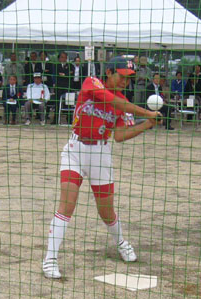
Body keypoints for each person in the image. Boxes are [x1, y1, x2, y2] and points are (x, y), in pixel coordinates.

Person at [41, 56, 161, 279]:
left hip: (100, 154)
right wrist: (147, 113)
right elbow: (111, 100)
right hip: (75, 150)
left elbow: (120, 136)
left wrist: (148, 124)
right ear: (109, 72)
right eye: (121, 76)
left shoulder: (123, 101)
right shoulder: (92, 83)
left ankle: (121, 242)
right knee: (67, 205)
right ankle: (50, 259)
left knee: (106, 212)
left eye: (128, 78)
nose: (125, 82)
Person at [50, 51, 71, 123]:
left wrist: (64, 75)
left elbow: (70, 75)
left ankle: (69, 119)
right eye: (62, 57)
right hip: (58, 87)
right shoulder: (56, 66)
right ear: (59, 58)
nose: (63, 59)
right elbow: (55, 75)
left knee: (68, 103)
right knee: (57, 104)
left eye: (65, 57)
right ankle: (55, 120)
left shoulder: (70, 66)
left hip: (67, 87)